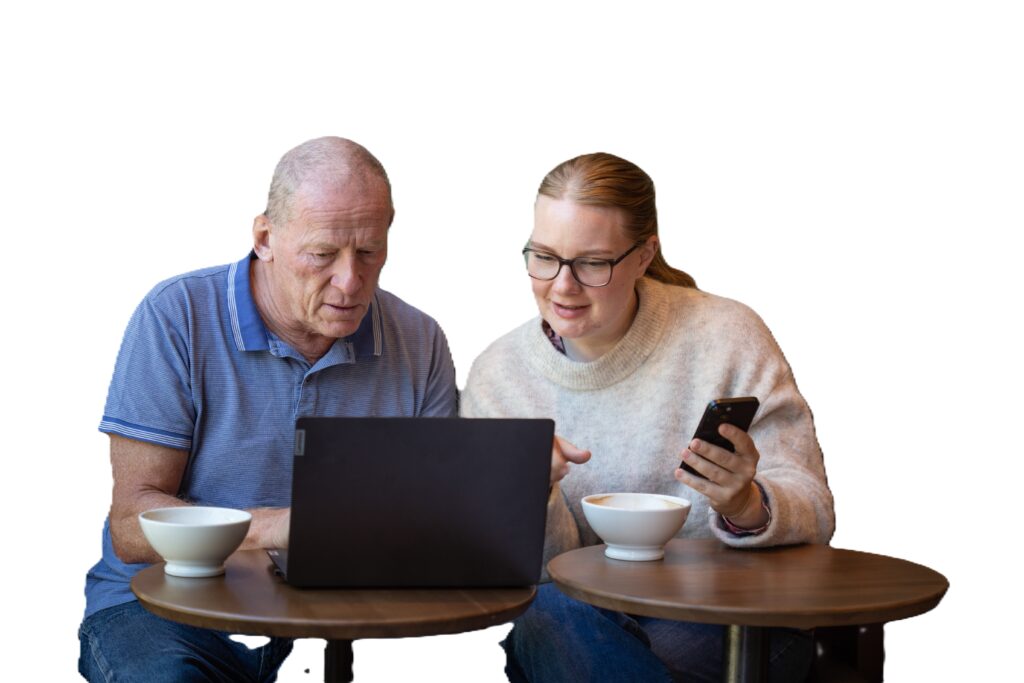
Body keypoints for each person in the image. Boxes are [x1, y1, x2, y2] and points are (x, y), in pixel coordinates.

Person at [78, 137, 458, 682]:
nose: (350, 281)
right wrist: (284, 527)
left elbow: (436, 512)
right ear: (265, 238)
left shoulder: (419, 339)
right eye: (322, 254)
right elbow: (131, 527)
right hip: (161, 612)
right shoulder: (176, 314)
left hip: (329, 619)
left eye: (369, 252)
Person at [460, 152, 835, 682]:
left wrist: (747, 505)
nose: (562, 285)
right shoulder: (499, 377)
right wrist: (532, 492)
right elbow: (525, 576)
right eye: (544, 257)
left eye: (592, 263)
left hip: (730, 619)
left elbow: (815, 508)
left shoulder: (726, 335)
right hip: (577, 624)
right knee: (552, 615)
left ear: (643, 255)